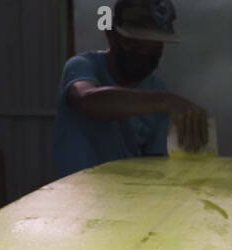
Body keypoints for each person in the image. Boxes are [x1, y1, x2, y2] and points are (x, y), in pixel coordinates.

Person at [53, 0, 209, 179]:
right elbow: (87, 101)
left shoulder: (156, 88)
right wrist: (166, 101)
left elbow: (153, 162)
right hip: (79, 197)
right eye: (136, 45)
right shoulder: (83, 67)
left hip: (127, 197)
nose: (144, 54)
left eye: (155, 47)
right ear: (111, 36)